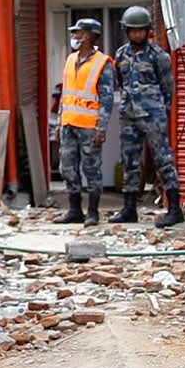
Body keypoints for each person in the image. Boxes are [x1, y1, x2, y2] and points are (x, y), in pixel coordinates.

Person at [109, 5, 184, 228]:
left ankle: (174, 209)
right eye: (133, 31)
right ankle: (129, 208)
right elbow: (120, 82)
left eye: (141, 30)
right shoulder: (121, 54)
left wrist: (161, 112)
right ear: (126, 31)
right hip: (129, 115)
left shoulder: (158, 56)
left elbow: (168, 88)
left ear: (147, 30)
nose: (137, 34)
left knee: (163, 160)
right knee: (129, 161)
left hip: (153, 115)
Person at [50, 18, 115, 226]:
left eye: (77, 33)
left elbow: (107, 98)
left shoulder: (102, 63)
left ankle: (93, 212)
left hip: (89, 126)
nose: (74, 37)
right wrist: (60, 123)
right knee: (67, 168)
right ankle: (74, 210)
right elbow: (65, 95)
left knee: (91, 169)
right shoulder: (70, 60)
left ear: (87, 36)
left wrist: (101, 127)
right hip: (69, 124)